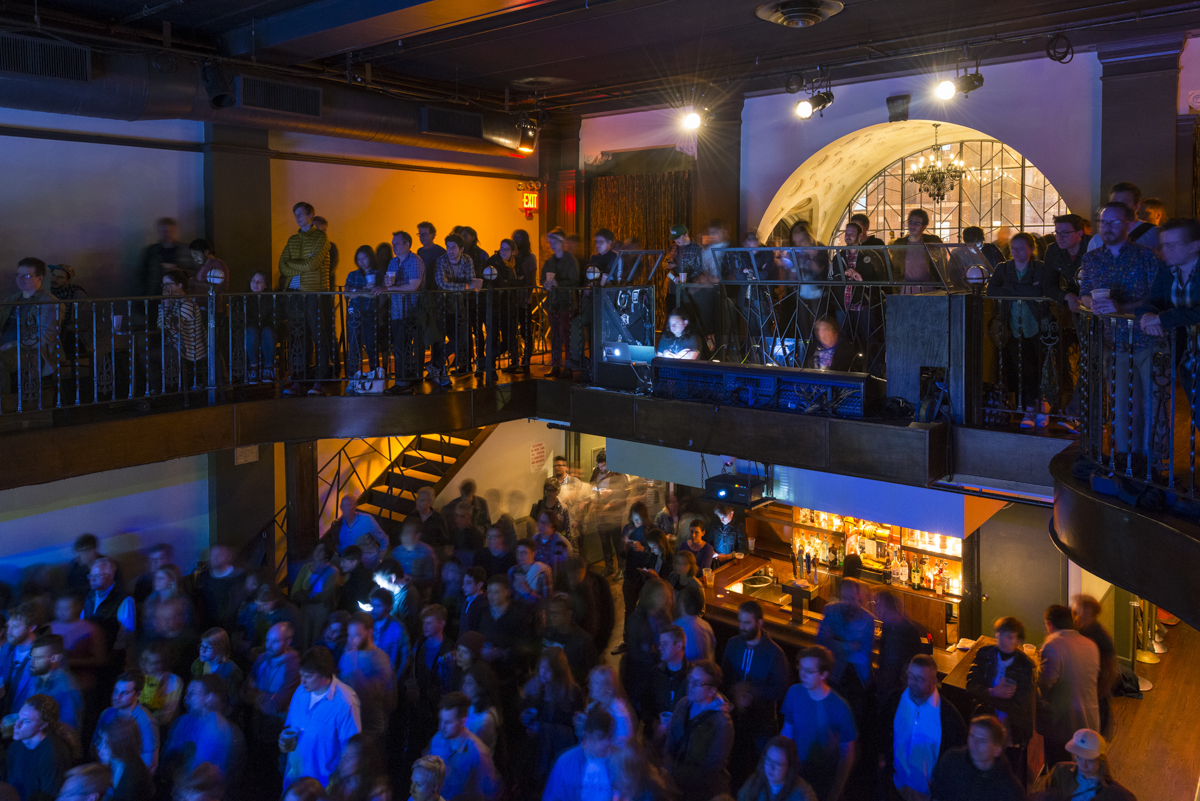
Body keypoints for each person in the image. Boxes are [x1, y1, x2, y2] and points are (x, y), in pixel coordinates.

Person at [1080, 200, 1167, 458]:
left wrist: (1122, 306)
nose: (1106, 227)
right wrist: (1091, 304)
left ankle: (1155, 460)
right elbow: (1084, 294)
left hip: (1149, 340)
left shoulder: (1147, 257)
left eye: (1114, 221)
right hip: (1114, 341)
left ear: (1129, 224)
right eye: (1103, 222)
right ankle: (1125, 458)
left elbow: (1158, 300)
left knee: (1154, 404)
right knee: (1121, 404)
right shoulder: (1092, 259)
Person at [986, 230, 1062, 427]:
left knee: (1040, 367)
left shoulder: (1041, 268)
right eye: (1013, 248)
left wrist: (1009, 287)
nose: (1016, 252)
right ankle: (1030, 407)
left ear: (1031, 249)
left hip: (1038, 324)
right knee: (1022, 369)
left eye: (1021, 248)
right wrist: (1027, 287)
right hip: (1012, 325)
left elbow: (1041, 290)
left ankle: (1041, 406)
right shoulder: (1003, 268)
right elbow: (991, 290)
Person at [882, 655, 968, 801]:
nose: (913, 683)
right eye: (911, 676)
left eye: (920, 679)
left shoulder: (949, 716)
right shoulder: (894, 701)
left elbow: (959, 760)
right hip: (896, 787)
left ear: (934, 682)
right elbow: (882, 733)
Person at [721, 600, 789, 778]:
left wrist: (752, 692)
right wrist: (734, 692)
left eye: (747, 623)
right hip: (735, 718)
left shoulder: (775, 654)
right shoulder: (732, 644)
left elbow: (781, 690)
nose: (742, 627)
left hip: (762, 722)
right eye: (740, 622)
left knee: (763, 768)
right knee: (735, 766)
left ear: (759, 623)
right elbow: (724, 677)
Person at [964, 616, 1035, 785]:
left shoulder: (1026, 666)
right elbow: (971, 685)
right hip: (985, 720)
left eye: (1010, 636)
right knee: (980, 766)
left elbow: (1021, 705)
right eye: (1001, 634)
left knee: (1007, 773)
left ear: (1018, 640)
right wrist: (993, 692)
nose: (1004, 640)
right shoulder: (985, 654)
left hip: (1012, 727)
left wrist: (988, 696)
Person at [778, 646, 854, 801]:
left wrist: (837, 790)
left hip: (822, 776)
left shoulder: (840, 708)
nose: (802, 675)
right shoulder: (794, 692)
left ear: (824, 674)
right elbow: (787, 732)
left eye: (809, 671)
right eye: (801, 669)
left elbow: (847, 754)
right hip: (795, 770)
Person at [281, 647, 362, 787]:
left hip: (321, 787)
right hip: (293, 780)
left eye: (308, 676)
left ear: (325, 675)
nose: (302, 682)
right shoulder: (300, 692)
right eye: (301, 675)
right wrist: (284, 741)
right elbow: (291, 728)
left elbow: (351, 751)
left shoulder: (345, 702)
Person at [279, 201, 333, 396]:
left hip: (313, 292)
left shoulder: (321, 237)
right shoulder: (293, 239)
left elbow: (313, 264)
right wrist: (302, 262)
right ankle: (299, 380)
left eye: (301, 214)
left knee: (319, 336)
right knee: (298, 338)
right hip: (294, 294)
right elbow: (282, 266)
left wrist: (296, 263)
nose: (297, 217)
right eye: (295, 214)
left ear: (311, 215)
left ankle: (320, 380)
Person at [1038, 604, 1101, 768]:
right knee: (1084, 768)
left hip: (1063, 723)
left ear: (1050, 625)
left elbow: (1045, 683)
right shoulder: (1090, 645)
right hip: (1090, 719)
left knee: (1060, 769)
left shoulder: (1053, 646)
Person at [663, 660, 734, 801]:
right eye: (690, 680)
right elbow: (669, 745)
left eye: (698, 683)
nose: (691, 686)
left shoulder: (722, 724)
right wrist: (668, 772)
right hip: (674, 783)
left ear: (712, 690)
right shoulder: (683, 704)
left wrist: (673, 776)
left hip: (703, 793)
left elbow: (710, 770)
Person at [244, 622, 299, 793]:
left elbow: (276, 706)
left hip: (276, 732)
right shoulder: (261, 659)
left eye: (275, 641)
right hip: (257, 727)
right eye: (268, 640)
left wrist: (257, 695)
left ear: (288, 642)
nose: (268, 645)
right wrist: (266, 699)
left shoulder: (293, 666)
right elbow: (245, 693)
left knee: (271, 780)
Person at [160, 675, 244, 784]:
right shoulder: (183, 720)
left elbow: (203, 776)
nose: (186, 698)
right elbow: (168, 755)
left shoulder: (217, 730)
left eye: (192, 694)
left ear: (210, 697)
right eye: (186, 694)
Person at [928, 715, 1024, 801]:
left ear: (997, 750)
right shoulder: (950, 761)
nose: (974, 743)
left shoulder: (1008, 788)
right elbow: (936, 793)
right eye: (972, 736)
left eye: (982, 740)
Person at [816, 578, 873, 719]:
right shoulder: (830, 610)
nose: (847, 602)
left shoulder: (867, 619)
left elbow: (862, 655)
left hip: (857, 678)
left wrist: (834, 639)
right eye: (844, 598)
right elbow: (820, 643)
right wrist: (848, 645)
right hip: (834, 675)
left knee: (853, 721)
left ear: (858, 596)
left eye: (851, 598)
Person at [425, 692, 499, 801]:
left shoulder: (478, 754)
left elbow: (490, 792)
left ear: (462, 721)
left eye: (448, 722)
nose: (441, 726)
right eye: (441, 720)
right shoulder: (437, 739)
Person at [1034, 728, 1136, 801]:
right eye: (1078, 757)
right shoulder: (1061, 772)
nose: (1083, 765)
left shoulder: (1117, 795)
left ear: (1102, 760)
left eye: (1090, 760)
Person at [338, 613, 395, 738]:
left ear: (369, 632)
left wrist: (357, 673)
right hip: (350, 724)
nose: (351, 640)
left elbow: (388, 701)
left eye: (357, 635)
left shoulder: (380, 660)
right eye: (350, 635)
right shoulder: (346, 656)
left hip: (371, 729)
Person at [542, 706, 615, 801]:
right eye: (600, 736)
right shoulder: (565, 764)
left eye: (609, 736)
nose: (606, 742)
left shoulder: (617, 761)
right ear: (587, 735)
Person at [8, 695, 72, 801]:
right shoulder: (15, 747)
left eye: (26, 721)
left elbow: (50, 796)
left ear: (43, 725)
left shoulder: (52, 754)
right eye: (18, 718)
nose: (17, 725)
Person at [1071, 595, 1119, 735]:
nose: (1076, 619)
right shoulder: (1079, 632)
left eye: (1081, 616)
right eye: (1074, 613)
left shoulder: (1100, 640)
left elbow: (1108, 675)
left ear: (1092, 616)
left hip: (1093, 701)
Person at [96, 671, 159, 771]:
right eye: (116, 691)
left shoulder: (146, 722)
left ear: (138, 694)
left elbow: (150, 764)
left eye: (124, 693)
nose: (117, 697)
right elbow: (96, 745)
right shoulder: (107, 714)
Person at [874, 589, 928, 706]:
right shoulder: (889, 626)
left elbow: (910, 665)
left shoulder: (906, 631)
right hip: (891, 689)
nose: (875, 608)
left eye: (877, 603)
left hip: (899, 692)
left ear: (885, 607)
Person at [542, 229, 581, 379]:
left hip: (567, 302)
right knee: (555, 335)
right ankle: (556, 365)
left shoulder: (570, 260)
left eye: (555, 241)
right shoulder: (549, 261)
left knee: (566, 335)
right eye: (551, 241)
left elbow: (575, 280)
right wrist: (546, 284)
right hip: (553, 302)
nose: (552, 244)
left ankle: (569, 367)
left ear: (562, 243)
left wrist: (559, 283)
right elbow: (541, 279)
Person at [28, 635, 82, 737]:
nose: (32, 662)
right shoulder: (38, 678)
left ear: (55, 658)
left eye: (38, 658)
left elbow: (69, 728)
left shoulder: (66, 687)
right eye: (31, 656)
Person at [292, 541, 341, 650]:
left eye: (321, 550)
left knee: (317, 639)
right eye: (316, 549)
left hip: (321, 611)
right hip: (305, 610)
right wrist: (308, 596)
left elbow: (326, 595)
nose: (317, 552)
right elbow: (295, 591)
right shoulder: (306, 568)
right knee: (304, 639)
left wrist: (305, 595)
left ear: (327, 553)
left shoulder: (332, 572)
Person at [1087, 181, 1161, 252]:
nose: (1118, 206)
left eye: (1124, 202)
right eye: (1114, 202)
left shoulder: (1154, 233)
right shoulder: (1096, 240)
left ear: (1137, 206)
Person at [344, 245, 382, 383]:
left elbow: (375, 296)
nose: (361, 261)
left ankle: (375, 376)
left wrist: (356, 292)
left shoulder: (378, 274)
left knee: (371, 346)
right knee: (353, 346)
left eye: (364, 257)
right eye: (358, 259)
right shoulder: (352, 275)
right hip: (354, 315)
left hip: (371, 313)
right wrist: (364, 291)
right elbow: (346, 294)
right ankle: (353, 378)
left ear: (370, 257)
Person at [737, 736, 817, 801]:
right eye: (768, 760)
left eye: (777, 764)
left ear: (789, 767)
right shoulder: (754, 782)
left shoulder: (802, 792)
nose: (771, 768)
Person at [563, 557, 615, 656]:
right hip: (574, 643)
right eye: (571, 577)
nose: (573, 579)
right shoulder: (564, 585)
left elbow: (608, 614)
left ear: (583, 571)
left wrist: (602, 644)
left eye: (577, 575)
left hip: (595, 641)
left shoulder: (598, 583)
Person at [542, 596, 598, 687]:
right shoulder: (548, 634)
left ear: (568, 614)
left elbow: (591, 674)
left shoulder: (583, 641)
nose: (552, 616)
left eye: (556, 613)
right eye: (550, 613)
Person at [890, 209, 946, 293]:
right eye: (910, 222)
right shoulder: (899, 244)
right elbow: (896, 269)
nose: (912, 226)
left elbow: (942, 265)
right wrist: (896, 288)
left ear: (924, 226)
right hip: (906, 291)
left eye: (916, 223)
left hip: (929, 290)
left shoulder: (932, 242)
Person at [1, 603, 42, 717]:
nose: (9, 631)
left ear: (32, 627)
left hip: (29, 720)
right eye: (8, 626)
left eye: (15, 627)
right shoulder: (6, 649)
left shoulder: (44, 655)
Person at [193, 545, 245, 634]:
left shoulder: (240, 576)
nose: (215, 558)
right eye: (213, 555)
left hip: (233, 628)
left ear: (229, 556)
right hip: (208, 627)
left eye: (220, 554)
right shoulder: (203, 576)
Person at [137, 218, 193, 297]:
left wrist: (181, 272)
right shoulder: (151, 251)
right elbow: (141, 275)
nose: (167, 234)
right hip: (156, 295)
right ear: (159, 232)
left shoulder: (186, 250)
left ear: (175, 231)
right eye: (164, 231)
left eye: (170, 231)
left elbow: (196, 273)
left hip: (180, 295)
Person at [581, 665, 636, 745]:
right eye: (590, 681)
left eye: (595, 682)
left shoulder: (619, 714)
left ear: (608, 686)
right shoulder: (592, 707)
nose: (589, 686)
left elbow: (623, 746)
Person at [240, 271, 278, 383]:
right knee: (251, 332)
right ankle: (253, 366)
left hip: (268, 327)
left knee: (267, 332)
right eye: (253, 280)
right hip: (251, 327)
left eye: (260, 281)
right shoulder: (244, 298)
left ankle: (268, 367)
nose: (256, 283)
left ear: (266, 284)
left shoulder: (272, 298)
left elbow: (276, 316)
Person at [326, 734, 388, 801]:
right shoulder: (339, 785)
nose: (342, 762)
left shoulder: (378, 791)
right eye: (342, 757)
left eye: (349, 757)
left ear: (364, 760)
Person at [137, 642, 183, 728]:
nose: (153, 667)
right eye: (149, 662)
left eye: (157, 662)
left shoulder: (174, 680)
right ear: (143, 662)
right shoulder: (138, 678)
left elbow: (167, 716)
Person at [368, 588, 411, 676]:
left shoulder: (398, 627)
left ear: (389, 607)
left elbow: (406, 658)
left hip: (387, 679)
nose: (373, 610)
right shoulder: (367, 623)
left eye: (378, 606)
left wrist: (396, 681)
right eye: (372, 605)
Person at [460, 663, 502, 752]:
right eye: (464, 682)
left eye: (469, 683)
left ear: (481, 687)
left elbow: (465, 749)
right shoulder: (471, 705)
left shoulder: (485, 719)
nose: (464, 686)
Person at [674, 584, 715, 663]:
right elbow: (711, 657)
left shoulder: (676, 627)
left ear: (682, 605)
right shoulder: (707, 627)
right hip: (704, 671)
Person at [459, 567, 489, 635]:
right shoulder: (467, 600)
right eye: (464, 582)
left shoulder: (483, 604)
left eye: (468, 583)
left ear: (479, 585)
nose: (464, 586)